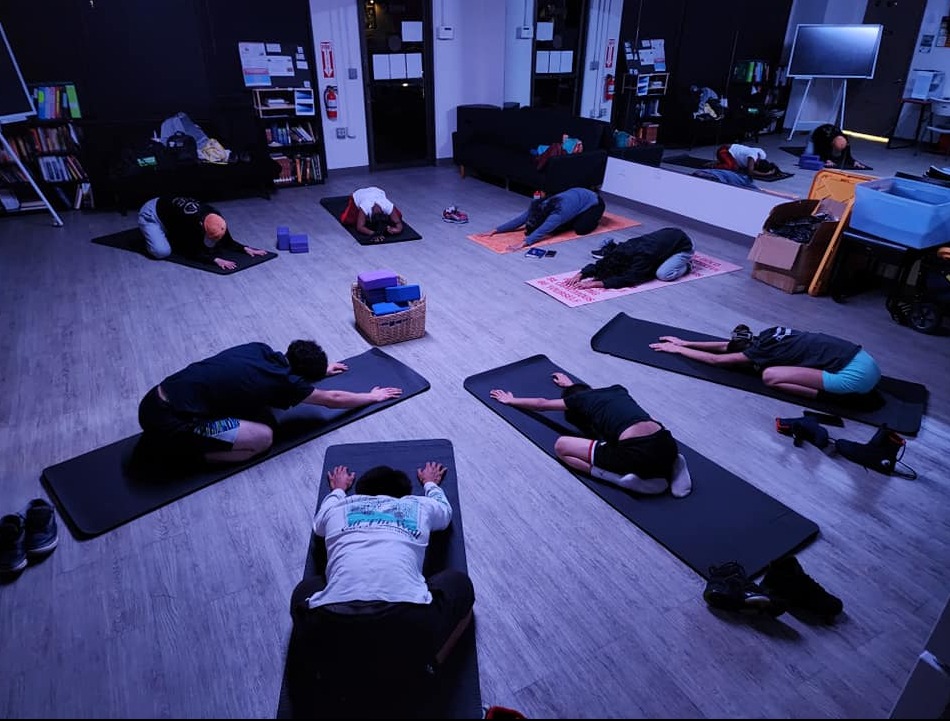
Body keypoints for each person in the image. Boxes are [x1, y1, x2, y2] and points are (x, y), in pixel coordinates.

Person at [288, 461, 475, 715]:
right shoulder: (416, 505)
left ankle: (327, 670)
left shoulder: (340, 507)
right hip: (409, 622)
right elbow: (445, 511)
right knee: (461, 585)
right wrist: (430, 483)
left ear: (361, 494)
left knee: (304, 591)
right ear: (404, 494)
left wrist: (339, 490)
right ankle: (430, 665)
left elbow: (319, 525)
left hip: (332, 622)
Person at [137, 340, 402, 464]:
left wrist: (319, 369)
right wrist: (372, 396)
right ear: (300, 377)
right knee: (263, 438)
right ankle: (187, 456)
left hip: (153, 399)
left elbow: (282, 374)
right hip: (169, 424)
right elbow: (331, 399)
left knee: (255, 404)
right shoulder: (285, 384)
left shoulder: (259, 349)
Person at [489, 372, 692, 497]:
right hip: (667, 442)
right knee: (646, 422)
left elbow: (542, 404)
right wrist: (569, 385)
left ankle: (620, 480)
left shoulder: (579, 403)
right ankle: (674, 462)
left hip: (636, 455)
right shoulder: (616, 390)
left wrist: (511, 400)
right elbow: (588, 394)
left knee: (561, 447)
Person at [649, 324, 881, 399]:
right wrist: (684, 342)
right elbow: (725, 346)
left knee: (769, 376)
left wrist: (676, 350)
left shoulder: (760, 352)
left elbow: (716, 360)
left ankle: (823, 395)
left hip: (855, 378)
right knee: (781, 365)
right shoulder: (771, 334)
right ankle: (823, 381)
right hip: (866, 359)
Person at [137, 195, 269, 271]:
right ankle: (151, 231)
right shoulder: (190, 223)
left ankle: (166, 231)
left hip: (171, 214)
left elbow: (227, 240)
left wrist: (245, 248)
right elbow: (191, 252)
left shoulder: (217, 218)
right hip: (152, 213)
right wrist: (215, 259)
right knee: (162, 251)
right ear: (201, 225)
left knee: (182, 236)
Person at [564, 227, 695, 290]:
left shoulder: (642, 258)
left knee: (662, 274)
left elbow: (630, 279)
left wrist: (595, 283)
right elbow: (600, 264)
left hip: (683, 246)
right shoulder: (619, 252)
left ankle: (687, 266)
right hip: (667, 238)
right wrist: (580, 274)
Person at [488, 187, 606, 249]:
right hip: (576, 195)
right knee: (557, 227)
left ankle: (595, 218)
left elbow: (541, 231)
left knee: (581, 229)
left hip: (594, 201)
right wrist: (497, 230)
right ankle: (576, 213)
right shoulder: (539, 205)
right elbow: (520, 219)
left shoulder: (556, 215)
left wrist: (525, 243)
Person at [339, 186, 404, 243]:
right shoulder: (365, 206)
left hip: (377, 191)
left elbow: (398, 223)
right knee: (346, 220)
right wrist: (374, 233)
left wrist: (397, 230)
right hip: (359, 194)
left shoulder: (387, 205)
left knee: (398, 216)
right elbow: (359, 227)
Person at [712, 143, 781, 179]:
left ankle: (723, 162)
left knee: (739, 167)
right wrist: (767, 174)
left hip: (732, 155)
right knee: (732, 168)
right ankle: (714, 165)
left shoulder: (762, 155)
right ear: (757, 164)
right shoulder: (752, 157)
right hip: (723, 151)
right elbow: (750, 172)